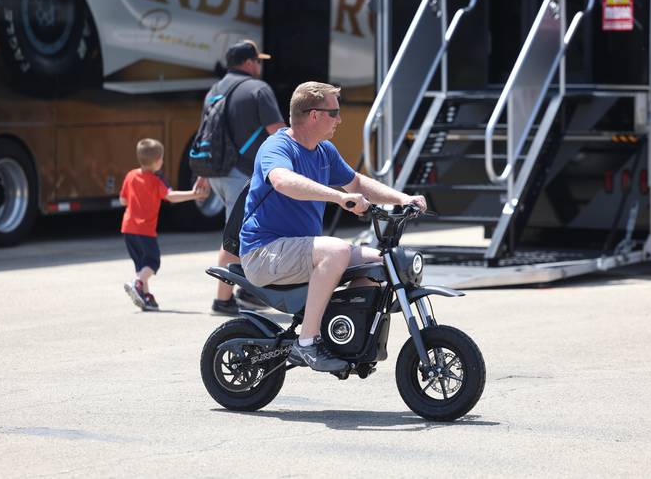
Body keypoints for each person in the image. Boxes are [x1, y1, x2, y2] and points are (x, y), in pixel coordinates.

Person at [239, 81, 427, 372]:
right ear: (314, 115)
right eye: (334, 112)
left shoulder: (324, 151)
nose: (340, 119)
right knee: (337, 250)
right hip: (263, 253)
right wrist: (338, 197)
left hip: (300, 252)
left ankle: (349, 339)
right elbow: (282, 181)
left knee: (383, 263)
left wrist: (402, 198)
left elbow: (357, 182)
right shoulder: (277, 146)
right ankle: (306, 343)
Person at [193, 40, 285, 315]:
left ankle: (249, 291)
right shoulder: (259, 89)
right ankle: (223, 300)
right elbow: (276, 130)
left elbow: (205, 132)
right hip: (241, 175)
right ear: (249, 63)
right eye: (258, 61)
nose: (260, 65)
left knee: (255, 233)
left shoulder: (214, 89)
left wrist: (203, 174)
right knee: (236, 238)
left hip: (217, 172)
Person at [121, 138, 209, 311]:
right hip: (145, 230)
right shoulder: (155, 180)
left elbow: (123, 199)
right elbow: (171, 197)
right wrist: (193, 194)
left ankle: (146, 297)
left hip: (128, 229)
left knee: (141, 264)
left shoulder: (130, 175)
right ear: (156, 161)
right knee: (152, 263)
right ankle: (137, 283)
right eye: (161, 159)